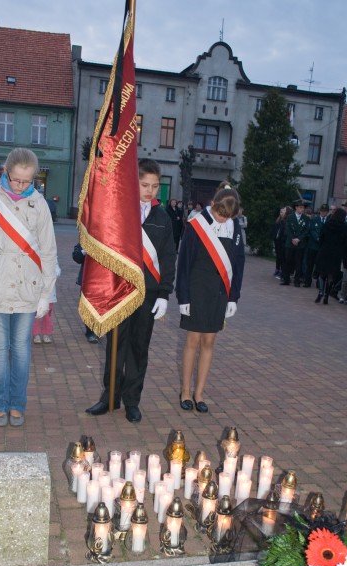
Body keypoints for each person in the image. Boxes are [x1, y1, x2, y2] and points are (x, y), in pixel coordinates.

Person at [0, 148, 57, 427]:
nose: (21, 186)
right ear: (6, 172)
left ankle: (17, 403)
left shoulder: (39, 204)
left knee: (21, 348)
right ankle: (0, 403)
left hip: (27, 289)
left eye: (27, 181)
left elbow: (50, 252)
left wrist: (45, 293)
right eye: (16, 180)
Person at [86, 158, 176, 423]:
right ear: (133, 183)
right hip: (119, 290)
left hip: (147, 293)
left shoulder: (163, 217)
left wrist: (164, 293)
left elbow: (168, 257)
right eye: (144, 184)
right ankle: (109, 397)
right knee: (116, 346)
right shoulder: (119, 212)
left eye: (155, 186)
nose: (149, 190)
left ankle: (132, 400)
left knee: (139, 348)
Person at [176, 186, 245, 413]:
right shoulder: (196, 225)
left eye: (228, 217)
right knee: (193, 342)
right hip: (196, 292)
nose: (223, 219)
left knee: (209, 342)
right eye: (220, 214)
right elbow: (184, 263)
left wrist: (233, 297)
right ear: (213, 205)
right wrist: (183, 296)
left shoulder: (234, 228)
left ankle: (199, 394)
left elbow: (238, 264)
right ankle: (186, 391)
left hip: (218, 293)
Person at [314, 208, 347, 304]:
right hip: (336, 254)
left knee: (322, 273)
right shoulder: (344, 227)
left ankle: (320, 292)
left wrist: (322, 247)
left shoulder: (328, 224)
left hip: (325, 251)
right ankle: (326, 296)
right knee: (331, 275)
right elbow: (346, 242)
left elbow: (321, 236)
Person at [72, 242, 100, 344]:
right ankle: (90, 332)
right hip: (87, 281)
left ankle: (98, 329)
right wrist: (85, 251)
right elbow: (76, 257)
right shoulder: (86, 239)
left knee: (100, 307)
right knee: (87, 308)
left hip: (103, 282)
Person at [281, 200, 310, 287]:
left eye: (303, 207)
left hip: (300, 244)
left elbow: (306, 231)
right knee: (288, 262)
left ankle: (297, 281)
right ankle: (286, 279)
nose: (302, 209)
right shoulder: (290, 217)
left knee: (298, 263)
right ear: (296, 207)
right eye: (300, 207)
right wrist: (293, 239)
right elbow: (288, 229)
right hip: (290, 243)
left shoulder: (306, 218)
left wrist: (299, 239)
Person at [32, 258, 61, 343]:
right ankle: (36, 334)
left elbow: (57, 270)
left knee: (47, 314)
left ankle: (46, 334)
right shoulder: (34, 252)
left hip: (49, 292)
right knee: (36, 314)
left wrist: (51, 274)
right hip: (36, 291)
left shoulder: (52, 256)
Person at [304, 203, 329, 287]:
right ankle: (307, 282)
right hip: (313, 246)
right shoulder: (314, 219)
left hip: (322, 247)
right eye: (322, 211)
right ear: (320, 211)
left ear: (327, 212)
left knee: (320, 266)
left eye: (325, 211)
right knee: (310, 265)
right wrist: (317, 238)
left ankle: (319, 283)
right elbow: (311, 230)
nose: (323, 213)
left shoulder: (329, 221)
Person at [272, 207, 291, 279]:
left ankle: (283, 273)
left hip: (283, 242)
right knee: (279, 256)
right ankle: (279, 270)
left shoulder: (286, 221)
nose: (281, 213)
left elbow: (285, 232)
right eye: (281, 212)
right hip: (278, 241)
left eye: (283, 211)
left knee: (284, 258)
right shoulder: (280, 220)